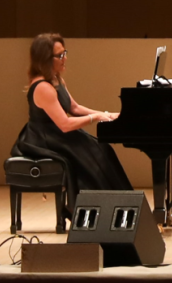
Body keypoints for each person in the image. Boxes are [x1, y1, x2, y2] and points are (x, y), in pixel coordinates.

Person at [11, 33, 132, 219]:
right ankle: (92, 212)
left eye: (64, 53)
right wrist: (95, 117)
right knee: (95, 155)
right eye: (59, 55)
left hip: (56, 135)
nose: (64, 58)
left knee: (102, 150)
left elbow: (74, 108)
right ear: (45, 59)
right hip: (44, 140)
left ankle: (120, 209)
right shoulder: (43, 87)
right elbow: (65, 125)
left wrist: (105, 114)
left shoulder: (56, 79)